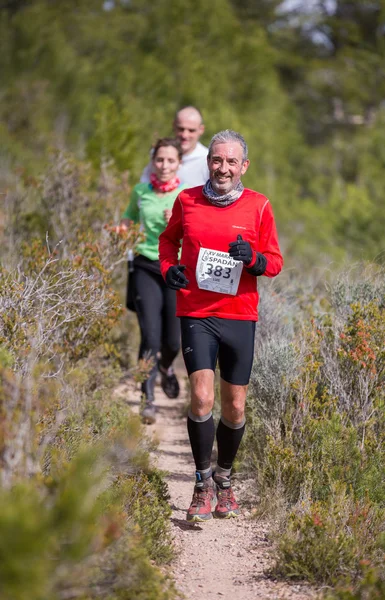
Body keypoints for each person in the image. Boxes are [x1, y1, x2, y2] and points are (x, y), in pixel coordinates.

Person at [159, 130, 283, 521]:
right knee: (201, 398)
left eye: (232, 162)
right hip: (196, 311)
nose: (223, 168)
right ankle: (201, 483)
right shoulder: (187, 200)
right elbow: (168, 242)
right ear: (208, 161)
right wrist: (169, 271)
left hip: (239, 315)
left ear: (243, 166)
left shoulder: (259, 206)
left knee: (235, 405)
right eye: (217, 160)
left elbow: (274, 262)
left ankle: (225, 480)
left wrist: (253, 259)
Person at [121, 137, 188, 424]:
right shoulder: (140, 191)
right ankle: (147, 399)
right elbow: (128, 219)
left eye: (170, 160)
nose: (164, 165)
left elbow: (195, 234)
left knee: (173, 340)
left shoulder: (187, 195)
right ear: (153, 161)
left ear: (179, 164)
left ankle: (165, 367)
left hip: (175, 269)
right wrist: (121, 229)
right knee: (149, 334)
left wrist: (177, 221)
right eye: (159, 160)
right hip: (146, 265)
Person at [140, 106, 209, 187]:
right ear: (173, 125)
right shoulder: (159, 153)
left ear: (201, 130)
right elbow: (145, 185)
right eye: (181, 129)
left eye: (191, 130)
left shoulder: (208, 160)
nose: (185, 135)